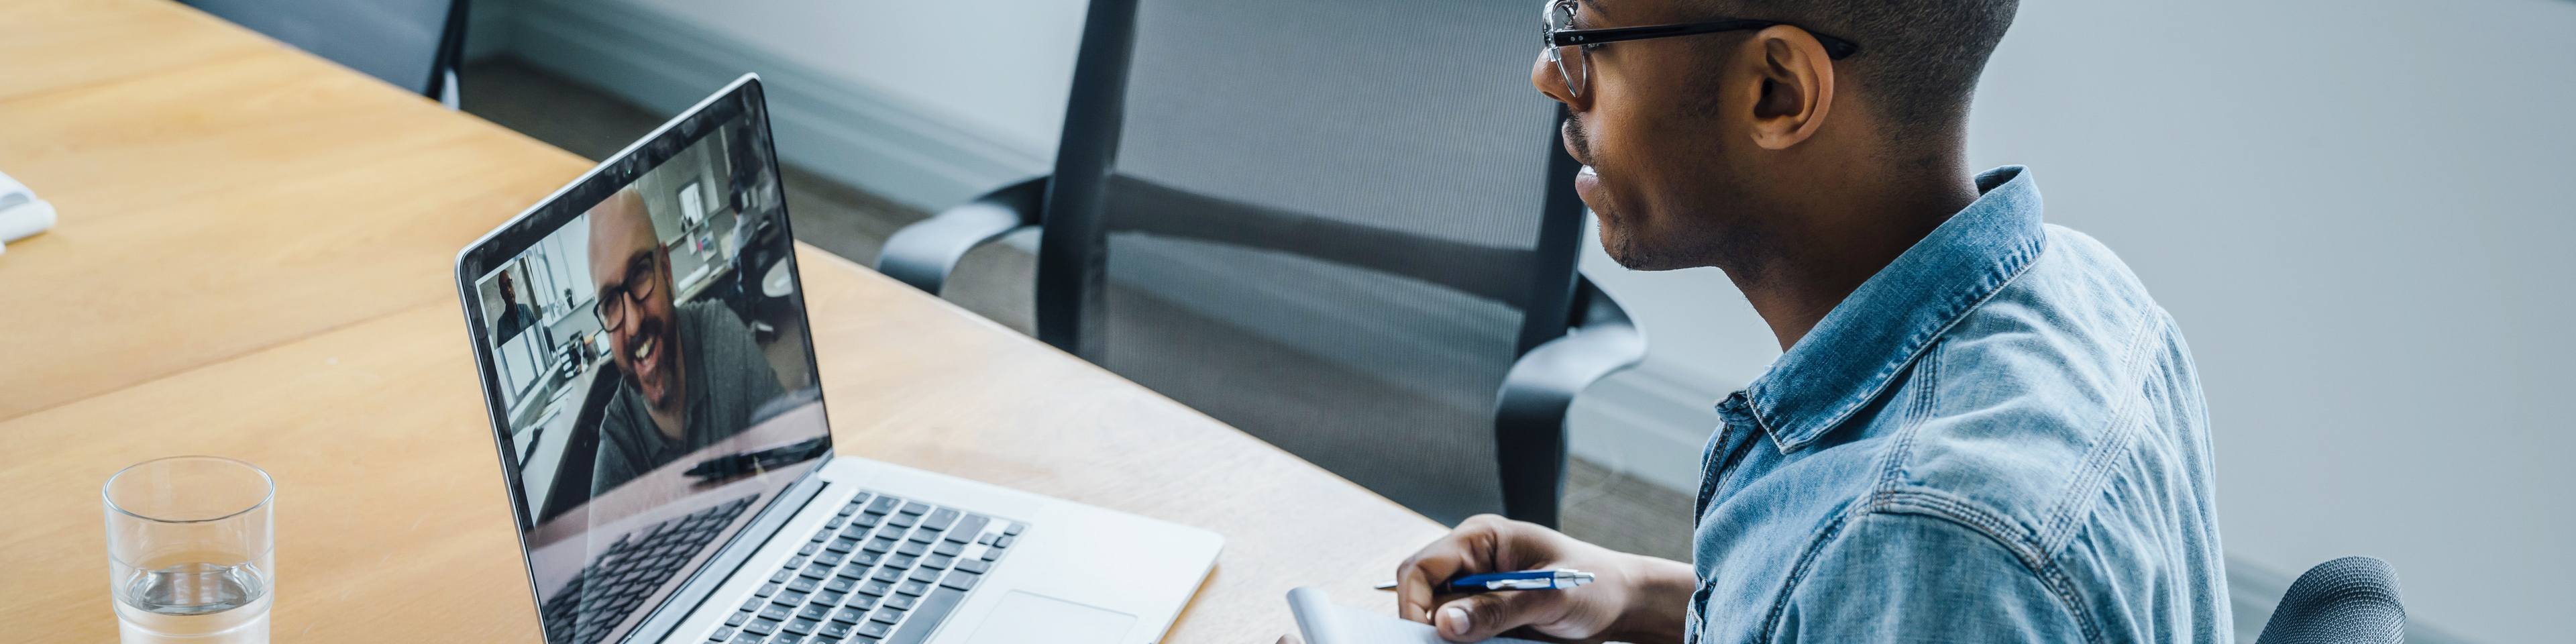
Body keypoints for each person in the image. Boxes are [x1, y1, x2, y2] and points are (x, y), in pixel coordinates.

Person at [1382, 0, 2228, 642]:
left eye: (1584, 34)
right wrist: (1634, 590)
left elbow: (1915, 574)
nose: (1548, 74)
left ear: (1777, 91)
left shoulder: (1923, 537)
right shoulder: (2088, 287)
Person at [585, 186, 786, 496]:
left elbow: (795, 461)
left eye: (640, 273)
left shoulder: (719, 336)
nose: (634, 321)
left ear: (666, 269)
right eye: (611, 302)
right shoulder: (620, 449)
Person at [492, 270, 540, 343]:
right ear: (502, 294)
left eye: (509, 284)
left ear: (513, 286)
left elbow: (538, 332)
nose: (508, 290)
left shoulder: (525, 310)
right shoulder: (501, 325)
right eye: (504, 288)